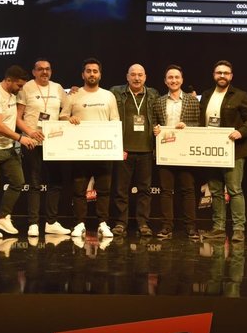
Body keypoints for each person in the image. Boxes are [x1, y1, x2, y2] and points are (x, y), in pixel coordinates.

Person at [59, 58, 120, 238]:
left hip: (103, 150)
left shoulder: (108, 96)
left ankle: (103, 223)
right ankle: (80, 223)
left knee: (104, 190)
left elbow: (115, 121)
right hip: (80, 151)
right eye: (88, 71)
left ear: (100, 74)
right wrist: (69, 119)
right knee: (79, 190)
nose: (92, 74)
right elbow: (62, 117)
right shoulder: (73, 95)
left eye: (95, 71)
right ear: (83, 74)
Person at [199, 60, 247, 241]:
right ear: (214, 75)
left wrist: (241, 132)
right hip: (211, 151)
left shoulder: (240, 95)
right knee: (216, 191)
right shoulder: (206, 95)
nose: (222, 76)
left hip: (234, 151)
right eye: (219, 73)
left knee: (234, 190)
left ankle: (238, 229)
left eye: (225, 73)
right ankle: (218, 228)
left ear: (231, 76)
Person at [0, 65, 36, 238]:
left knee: (18, 181)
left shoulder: (12, 94)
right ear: (8, 80)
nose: (21, 89)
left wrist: (29, 133)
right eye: (19, 85)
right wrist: (20, 138)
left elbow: (13, 120)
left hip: (7, 147)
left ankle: (2, 217)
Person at [16, 59, 71, 237]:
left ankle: (51, 222)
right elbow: (17, 117)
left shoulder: (58, 88)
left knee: (55, 183)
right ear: (34, 72)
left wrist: (64, 119)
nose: (44, 72)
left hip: (53, 142)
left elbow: (66, 110)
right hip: (32, 142)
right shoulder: (26, 88)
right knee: (34, 183)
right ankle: (33, 223)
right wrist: (30, 132)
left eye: (47, 69)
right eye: (40, 69)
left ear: (51, 71)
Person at [109, 64, 159, 237]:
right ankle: (120, 223)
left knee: (144, 189)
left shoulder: (153, 94)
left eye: (140, 75)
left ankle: (143, 223)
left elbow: (160, 115)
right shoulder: (116, 93)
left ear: (145, 77)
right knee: (121, 189)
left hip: (146, 149)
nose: (137, 78)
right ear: (127, 76)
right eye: (133, 75)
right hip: (123, 149)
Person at [152, 65, 200, 239]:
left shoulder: (192, 101)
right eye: (170, 78)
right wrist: (155, 129)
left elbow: (199, 125)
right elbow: (154, 123)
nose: (174, 80)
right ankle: (166, 227)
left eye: (177, 77)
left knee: (188, 190)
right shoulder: (158, 101)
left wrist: (187, 126)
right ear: (165, 81)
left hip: (185, 152)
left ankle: (191, 227)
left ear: (182, 80)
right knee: (166, 191)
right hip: (165, 151)